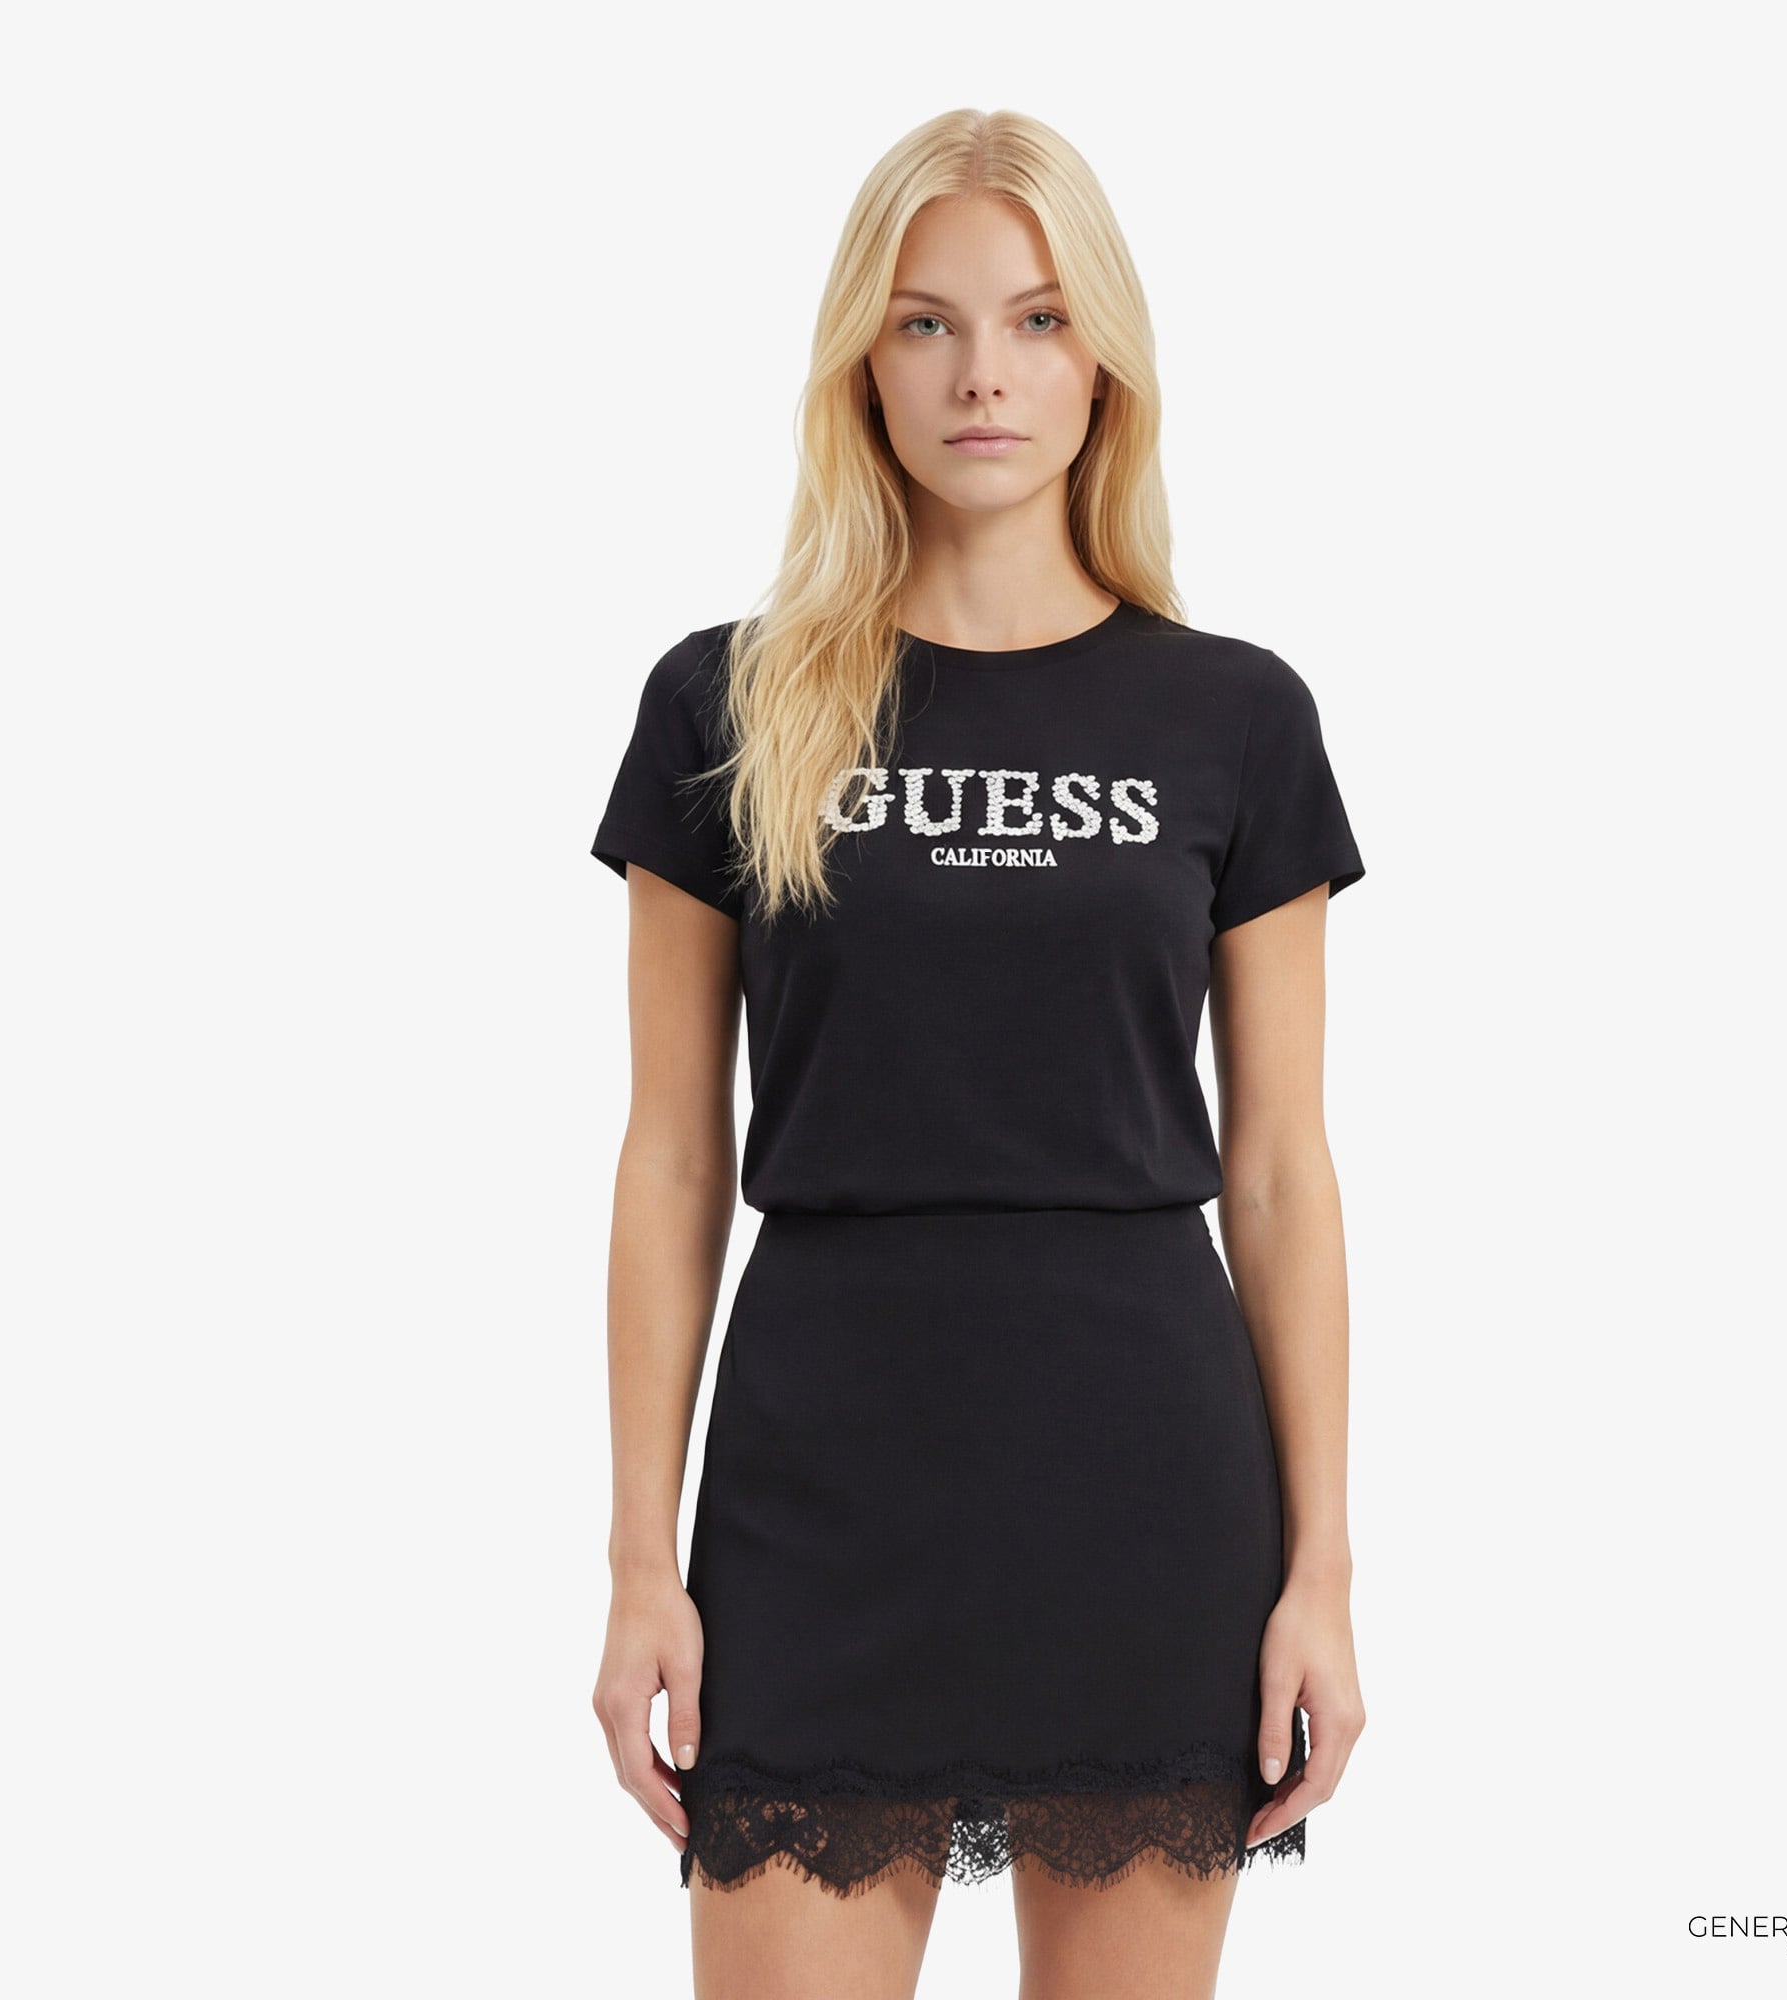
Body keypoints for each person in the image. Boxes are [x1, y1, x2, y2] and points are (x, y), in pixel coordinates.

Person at [589, 106, 1368, 2000]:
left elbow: (1280, 1170)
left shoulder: (1236, 716)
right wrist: (638, 1565)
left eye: (1036, 320)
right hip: (821, 1482)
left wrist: (1323, 1572)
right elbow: (673, 1157)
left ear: (1106, 363)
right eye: (926, 324)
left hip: (1144, 1482)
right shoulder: (723, 700)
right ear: (862, 362)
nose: (983, 376)